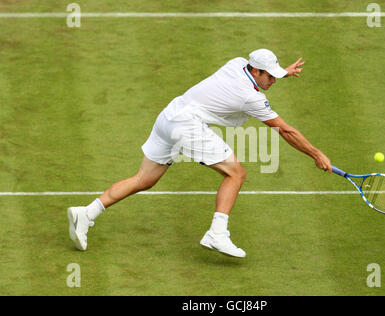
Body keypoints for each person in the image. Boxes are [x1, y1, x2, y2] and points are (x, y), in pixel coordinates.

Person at [67, 48, 332, 258]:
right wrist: (316, 154)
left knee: (144, 180)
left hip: (169, 116)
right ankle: (217, 233)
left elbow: (259, 78)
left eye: (275, 75)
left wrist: (282, 72)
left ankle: (86, 213)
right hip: (186, 126)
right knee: (236, 173)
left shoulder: (237, 63)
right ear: (255, 70)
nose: (273, 80)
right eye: (269, 76)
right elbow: (285, 131)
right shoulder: (251, 98)